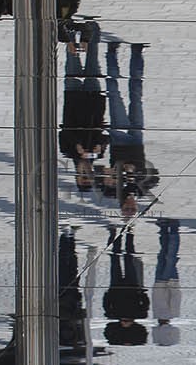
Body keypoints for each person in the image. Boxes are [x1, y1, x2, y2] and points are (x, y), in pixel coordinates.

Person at [103, 39, 159, 219]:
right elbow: (155, 176)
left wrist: (110, 174)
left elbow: (100, 174)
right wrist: (138, 172)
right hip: (136, 141)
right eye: (132, 210)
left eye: (126, 210)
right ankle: (137, 53)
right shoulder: (142, 190)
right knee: (136, 93)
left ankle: (111, 53)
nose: (130, 206)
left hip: (119, 141)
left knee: (114, 94)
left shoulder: (112, 192)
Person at [60, 26, 108, 192]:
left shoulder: (67, 152)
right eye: (89, 176)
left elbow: (63, 132)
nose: (86, 173)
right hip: (93, 98)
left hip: (73, 98)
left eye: (83, 177)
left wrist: (77, 146)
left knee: (72, 58)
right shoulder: (99, 154)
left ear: (77, 175)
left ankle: (69, 29)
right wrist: (99, 146)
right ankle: (92, 30)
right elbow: (106, 136)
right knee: (92, 60)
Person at [102, 227, 149, 346]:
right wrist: (141, 293)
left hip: (117, 287)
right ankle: (128, 234)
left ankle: (116, 236)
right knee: (127, 259)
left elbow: (106, 304)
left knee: (116, 259)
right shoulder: (139, 315)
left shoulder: (113, 316)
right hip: (131, 287)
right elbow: (145, 303)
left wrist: (108, 294)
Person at [153, 219, 181, 347]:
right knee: (170, 256)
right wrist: (171, 283)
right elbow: (176, 296)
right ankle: (173, 230)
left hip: (160, 282)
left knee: (164, 255)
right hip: (167, 282)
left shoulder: (160, 314)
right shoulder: (171, 313)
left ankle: (164, 230)